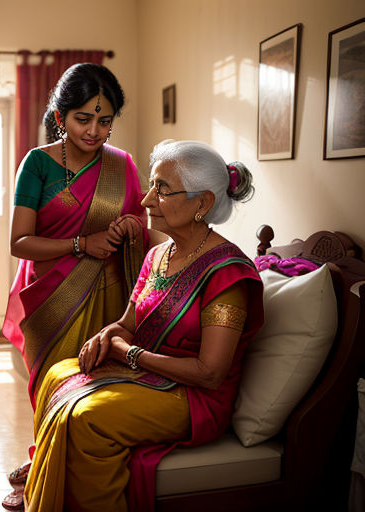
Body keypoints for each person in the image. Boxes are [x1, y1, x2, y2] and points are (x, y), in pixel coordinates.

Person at [20, 140, 265, 512]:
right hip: (150, 375)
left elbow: (210, 373)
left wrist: (131, 355)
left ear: (202, 204)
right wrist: (108, 335)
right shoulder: (157, 255)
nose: (147, 200)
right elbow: (128, 323)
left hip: (194, 399)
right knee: (57, 374)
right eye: (152, 185)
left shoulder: (227, 275)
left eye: (162, 189)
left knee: (88, 418)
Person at [1, 63, 152, 510]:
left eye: (105, 120)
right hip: (50, 292)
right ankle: (43, 462)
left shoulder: (121, 165)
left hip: (108, 289)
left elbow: (141, 223)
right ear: (60, 115)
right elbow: (19, 242)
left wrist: (128, 226)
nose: (95, 131)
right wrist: (79, 243)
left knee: (92, 387)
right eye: (83, 118)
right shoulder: (38, 163)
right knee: (50, 383)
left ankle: (69, 471)